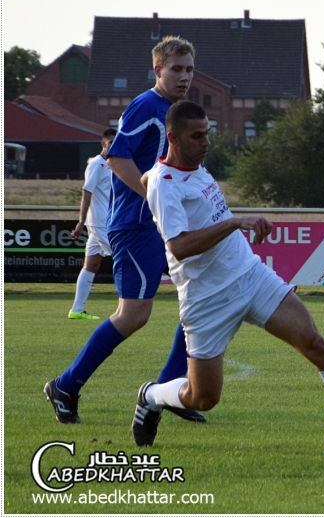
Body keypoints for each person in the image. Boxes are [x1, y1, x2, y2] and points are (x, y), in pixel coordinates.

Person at [132, 100, 324, 453]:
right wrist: (236, 222)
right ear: (173, 139)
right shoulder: (165, 185)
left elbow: (149, 175)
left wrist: (148, 176)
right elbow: (178, 246)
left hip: (250, 276)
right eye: (196, 136)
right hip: (206, 299)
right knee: (202, 397)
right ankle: (151, 395)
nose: (205, 142)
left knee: (313, 343)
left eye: (207, 133)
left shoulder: (187, 167)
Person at [45, 36, 205, 424]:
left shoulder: (178, 112)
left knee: (201, 298)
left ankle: (171, 391)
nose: (183, 76)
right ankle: (65, 385)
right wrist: (152, 195)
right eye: (176, 69)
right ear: (158, 70)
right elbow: (117, 158)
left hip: (167, 226)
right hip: (136, 226)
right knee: (133, 315)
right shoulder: (146, 106)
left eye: (188, 69)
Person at [68, 128, 117, 320]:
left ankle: (76, 310)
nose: (114, 144)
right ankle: (129, 306)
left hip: (107, 220)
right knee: (123, 257)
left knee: (91, 265)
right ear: (103, 143)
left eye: (117, 141)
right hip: (99, 223)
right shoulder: (97, 164)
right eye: (111, 141)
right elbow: (86, 193)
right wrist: (81, 221)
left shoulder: (114, 164)